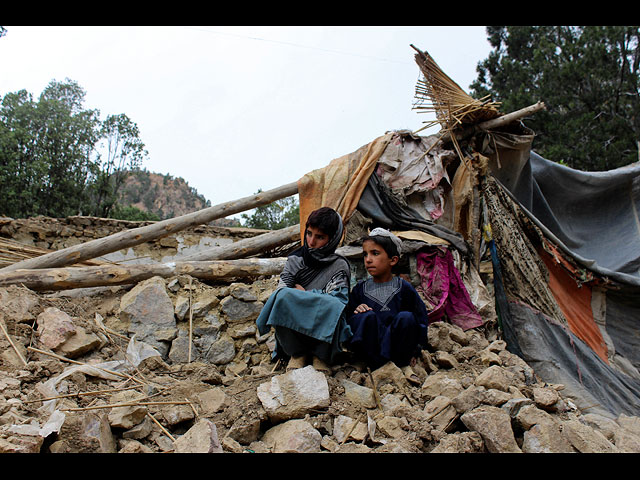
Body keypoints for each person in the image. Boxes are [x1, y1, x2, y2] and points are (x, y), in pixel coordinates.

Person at [256, 207, 352, 373]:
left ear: (333, 238)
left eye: (320, 237)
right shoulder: (295, 259)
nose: (311, 242)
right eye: (309, 233)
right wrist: (316, 297)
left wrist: (304, 294)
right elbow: (283, 291)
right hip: (295, 334)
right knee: (283, 298)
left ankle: (320, 356)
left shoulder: (339, 265)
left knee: (332, 307)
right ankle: (297, 354)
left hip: (324, 337)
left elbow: (339, 302)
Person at [346, 228, 429, 378]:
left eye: (375, 253)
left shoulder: (404, 287)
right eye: (365, 254)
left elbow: (420, 319)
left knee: (407, 317)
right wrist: (357, 311)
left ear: (393, 260)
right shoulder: (360, 289)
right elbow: (348, 320)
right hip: (370, 350)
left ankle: (402, 365)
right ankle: (364, 362)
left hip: (397, 350)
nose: (368, 259)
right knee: (365, 316)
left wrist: (416, 349)